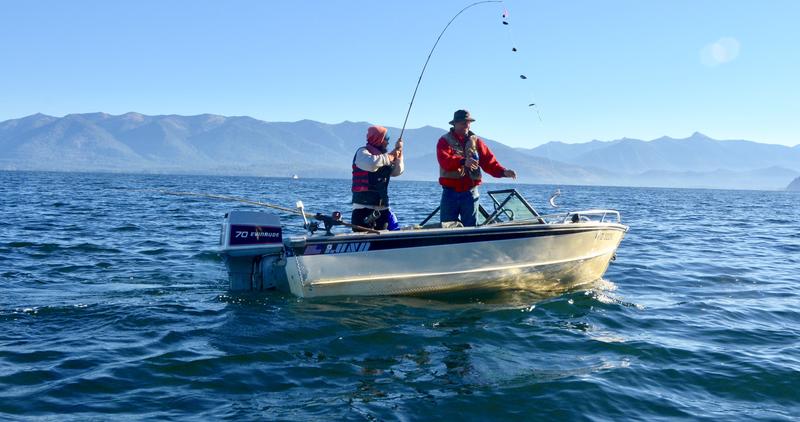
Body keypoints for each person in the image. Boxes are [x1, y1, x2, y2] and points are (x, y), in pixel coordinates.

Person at [436, 109, 516, 226]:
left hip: (470, 192)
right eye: (464, 123)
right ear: (455, 124)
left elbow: (489, 162)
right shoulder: (444, 141)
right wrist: (463, 161)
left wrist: (504, 172)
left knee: (471, 227)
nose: (467, 125)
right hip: (450, 192)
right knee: (447, 226)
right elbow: (444, 161)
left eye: (468, 122)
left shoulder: (477, 142)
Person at [351, 125, 404, 230]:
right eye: (386, 139)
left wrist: (399, 152)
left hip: (382, 210)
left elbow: (397, 171)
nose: (388, 142)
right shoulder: (362, 153)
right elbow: (371, 164)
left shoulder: (384, 157)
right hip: (362, 209)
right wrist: (390, 156)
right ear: (378, 139)